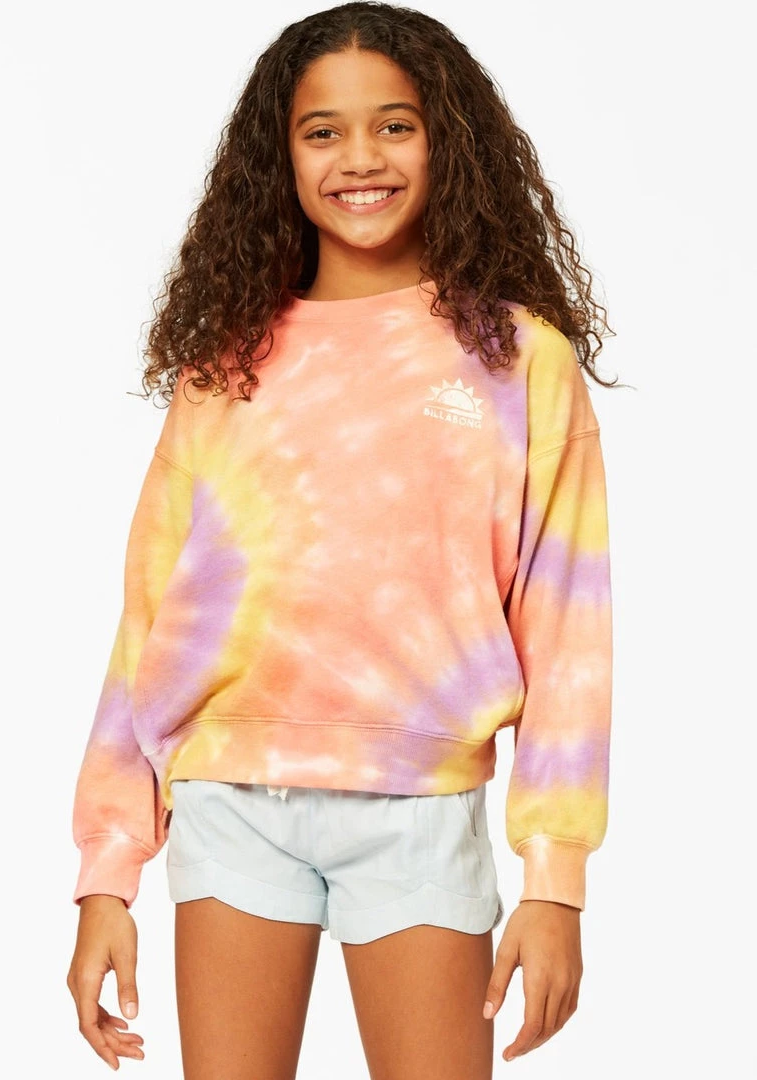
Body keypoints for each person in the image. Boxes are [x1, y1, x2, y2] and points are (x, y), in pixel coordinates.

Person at [66, 3, 617, 1076]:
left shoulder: (519, 361)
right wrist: (107, 872)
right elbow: (148, 624)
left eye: (394, 125)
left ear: (448, 141)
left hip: (420, 810)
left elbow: (569, 636)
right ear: (280, 156)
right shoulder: (224, 365)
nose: (359, 157)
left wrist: (554, 882)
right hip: (233, 800)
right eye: (323, 131)